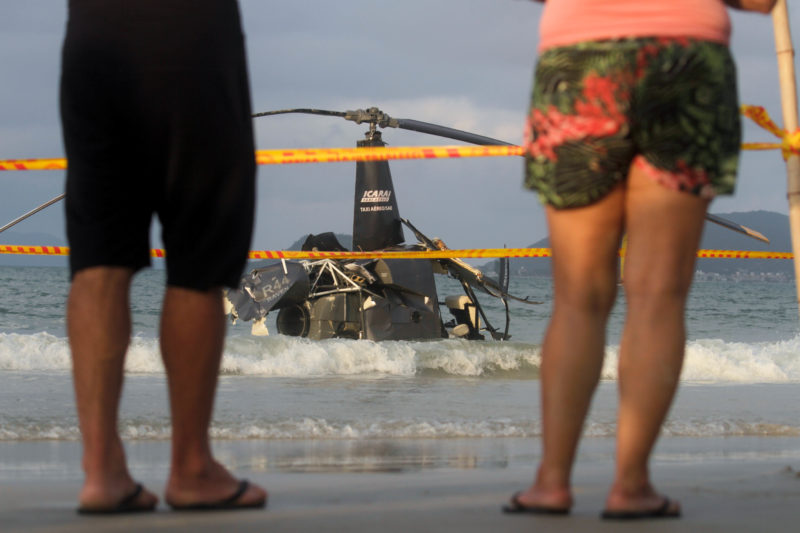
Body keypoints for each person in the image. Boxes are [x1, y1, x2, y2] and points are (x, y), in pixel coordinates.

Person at [504, 0, 777, 520]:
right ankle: (631, 485)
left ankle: (551, 482)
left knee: (579, 296)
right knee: (657, 294)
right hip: (686, 55)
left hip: (580, 58)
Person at [60, 0, 267, 513]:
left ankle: (102, 471)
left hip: (94, 36)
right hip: (190, 36)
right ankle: (192, 468)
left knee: (98, 260)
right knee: (198, 262)